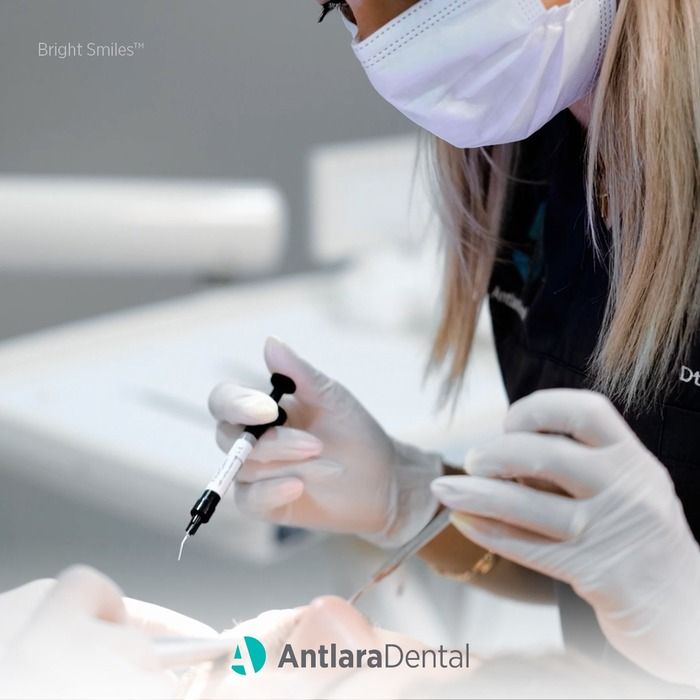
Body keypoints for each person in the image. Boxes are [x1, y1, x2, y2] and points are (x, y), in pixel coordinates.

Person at [208, 0, 700, 689]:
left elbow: (655, 591)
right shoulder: (531, 157)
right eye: (339, 5)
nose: (386, 42)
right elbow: (597, 567)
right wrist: (409, 500)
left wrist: (688, 624)